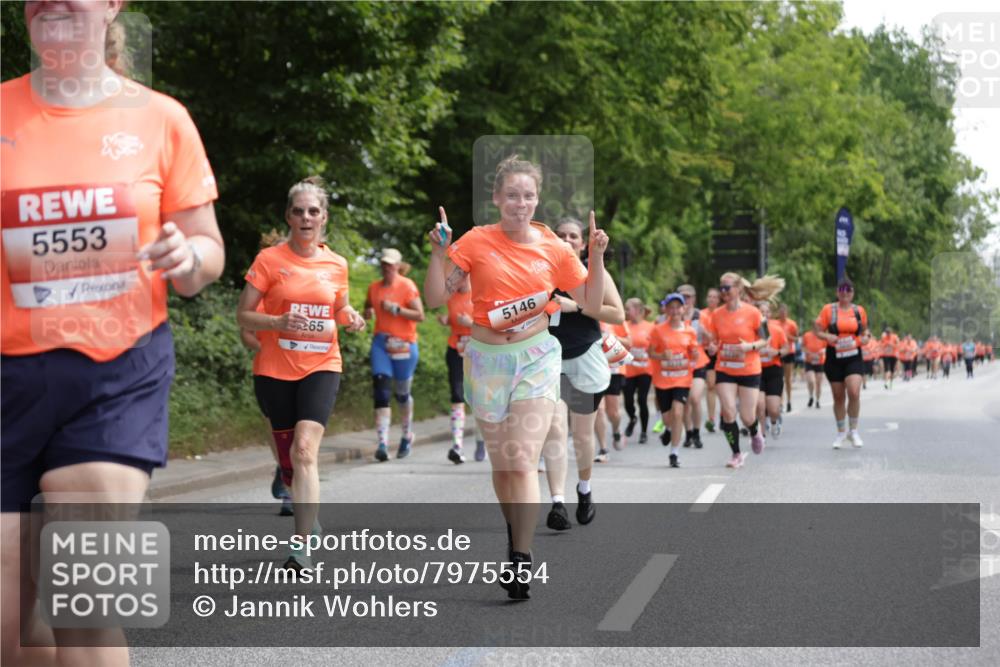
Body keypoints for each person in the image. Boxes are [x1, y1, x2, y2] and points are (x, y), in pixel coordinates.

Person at [2, 2, 224, 663]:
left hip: (116, 372)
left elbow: (208, 249)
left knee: (88, 594)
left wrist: (189, 258)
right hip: (5, 378)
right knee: (9, 622)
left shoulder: (161, 119)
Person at [424, 155, 608, 600]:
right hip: (486, 358)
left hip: (536, 355)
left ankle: (521, 558)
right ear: (497, 198)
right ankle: (515, 531)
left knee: (524, 459)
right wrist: (437, 253)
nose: (519, 203)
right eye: (511, 195)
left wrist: (596, 257)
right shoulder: (474, 241)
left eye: (527, 195)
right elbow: (434, 298)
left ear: (537, 199)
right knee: (502, 464)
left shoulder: (554, 248)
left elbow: (593, 302)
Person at [237, 177, 366, 569]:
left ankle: (301, 546)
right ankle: (306, 511)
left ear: (323, 217)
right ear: (289, 217)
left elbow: (339, 307)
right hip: (275, 369)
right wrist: (277, 322)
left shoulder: (337, 264)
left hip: (322, 365)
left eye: (313, 211)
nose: (306, 217)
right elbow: (243, 314)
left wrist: (352, 317)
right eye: (299, 211)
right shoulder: (269, 261)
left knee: (306, 449)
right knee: (290, 460)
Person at [540, 217, 624, 530]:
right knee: (555, 428)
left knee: (583, 436)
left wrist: (576, 305)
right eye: (559, 234)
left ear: (581, 242)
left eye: (572, 235)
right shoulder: (540, 272)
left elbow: (617, 313)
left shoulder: (593, 273)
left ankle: (584, 488)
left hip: (585, 358)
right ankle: (557, 503)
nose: (566, 239)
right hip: (548, 359)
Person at [703, 272, 785, 468]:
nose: (723, 292)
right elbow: (714, 341)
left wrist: (749, 347)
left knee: (747, 416)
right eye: (721, 288)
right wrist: (713, 348)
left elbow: (765, 340)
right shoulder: (717, 315)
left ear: (738, 289)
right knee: (729, 412)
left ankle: (756, 432)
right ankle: (736, 454)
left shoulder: (753, 313)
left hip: (749, 368)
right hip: (725, 368)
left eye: (727, 288)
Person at [239, 230, 294, 516]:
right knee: (277, 429)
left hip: (301, 370)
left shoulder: (298, 288)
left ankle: (290, 482)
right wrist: (263, 347)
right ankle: (285, 476)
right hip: (268, 370)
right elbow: (246, 332)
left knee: (300, 433)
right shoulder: (258, 289)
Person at [364, 248, 425, 461]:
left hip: (404, 345)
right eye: (384, 264)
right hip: (381, 343)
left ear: (398, 266)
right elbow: (367, 307)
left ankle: (407, 435)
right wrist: (368, 313)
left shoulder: (407, 286)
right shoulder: (374, 287)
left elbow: (420, 315)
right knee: (381, 390)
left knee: (401, 394)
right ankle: (382, 444)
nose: (387, 268)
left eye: (391, 264)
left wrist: (397, 309)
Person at [814, 278, 870, 449]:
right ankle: (840, 433)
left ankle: (853, 431)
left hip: (853, 355)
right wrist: (826, 336)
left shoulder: (859, 311)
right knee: (838, 396)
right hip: (834, 357)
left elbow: (865, 332)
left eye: (848, 289)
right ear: (837, 292)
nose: (845, 292)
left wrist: (863, 340)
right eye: (841, 289)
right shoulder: (828, 310)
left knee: (853, 392)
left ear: (853, 293)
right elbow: (816, 330)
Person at [436, 272, 484, 463]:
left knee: (479, 400)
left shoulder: (480, 295)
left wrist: (470, 324)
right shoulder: (451, 297)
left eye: (462, 275)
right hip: (456, 350)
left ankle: (481, 442)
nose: (458, 279)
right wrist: (447, 320)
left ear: (470, 276)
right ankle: (457, 445)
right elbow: (453, 318)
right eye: (456, 276)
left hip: (478, 352)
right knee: (457, 396)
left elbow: (492, 326)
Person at [648, 293, 699, 467]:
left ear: (684, 309)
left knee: (678, 413)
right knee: (668, 418)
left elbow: (693, 352)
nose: (675, 310)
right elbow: (650, 352)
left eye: (678, 307)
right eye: (672, 307)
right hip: (663, 380)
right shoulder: (658, 329)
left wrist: (695, 354)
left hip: (682, 379)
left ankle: (674, 453)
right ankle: (668, 429)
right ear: (667, 309)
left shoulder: (690, 330)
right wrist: (662, 355)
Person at [677, 284, 709, 449]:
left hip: (698, 363)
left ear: (694, 298)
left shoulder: (701, 316)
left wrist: (705, 333)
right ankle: (688, 432)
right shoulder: (674, 316)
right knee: (683, 402)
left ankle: (696, 431)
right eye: (682, 296)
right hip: (680, 365)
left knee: (695, 398)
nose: (685, 300)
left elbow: (712, 340)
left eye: (688, 296)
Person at [594, 320, 630, 461]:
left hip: (614, 369)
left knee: (613, 412)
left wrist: (612, 338)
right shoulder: (588, 314)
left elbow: (629, 342)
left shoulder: (615, 317)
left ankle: (616, 430)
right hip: (594, 369)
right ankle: (603, 449)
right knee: (599, 409)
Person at [621, 298, 655, 444]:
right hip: (628, 369)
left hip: (645, 370)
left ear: (638, 310)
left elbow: (657, 347)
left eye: (629, 309)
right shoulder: (624, 326)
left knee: (642, 399)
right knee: (628, 401)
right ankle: (633, 418)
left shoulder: (650, 327)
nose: (626, 312)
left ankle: (643, 431)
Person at [755, 300, 789, 439]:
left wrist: (777, 352)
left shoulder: (777, 329)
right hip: (757, 371)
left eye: (767, 312)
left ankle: (774, 421)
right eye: (761, 312)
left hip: (774, 370)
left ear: (770, 314)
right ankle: (761, 436)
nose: (764, 314)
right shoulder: (752, 329)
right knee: (760, 405)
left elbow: (787, 349)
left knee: (773, 409)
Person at [703, 287, 721, 432]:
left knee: (720, 386)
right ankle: (711, 418)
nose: (712, 299)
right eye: (710, 296)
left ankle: (723, 414)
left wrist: (715, 344)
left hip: (720, 351)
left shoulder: (722, 314)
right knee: (710, 386)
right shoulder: (701, 314)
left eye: (715, 297)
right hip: (704, 351)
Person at [775, 304, 799, 412]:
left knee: (788, 379)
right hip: (779, 352)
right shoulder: (775, 323)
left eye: (784, 312)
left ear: (787, 313)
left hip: (789, 352)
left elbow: (797, 338)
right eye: (781, 312)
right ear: (778, 313)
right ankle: (780, 402)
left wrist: (789, 337)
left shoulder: (792, 324)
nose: (782, 314)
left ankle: (789, 401)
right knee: (779, 378)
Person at [802, 329, 826, 408]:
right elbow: (803, 347)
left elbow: (826, 347)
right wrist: (810, 353)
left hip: (820, 362)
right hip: (809, 361)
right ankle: (811, 396)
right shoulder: (807, 335)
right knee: (811, 381)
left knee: (818, 383)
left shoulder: (822, 335)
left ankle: (818, 401)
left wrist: (821, 352)